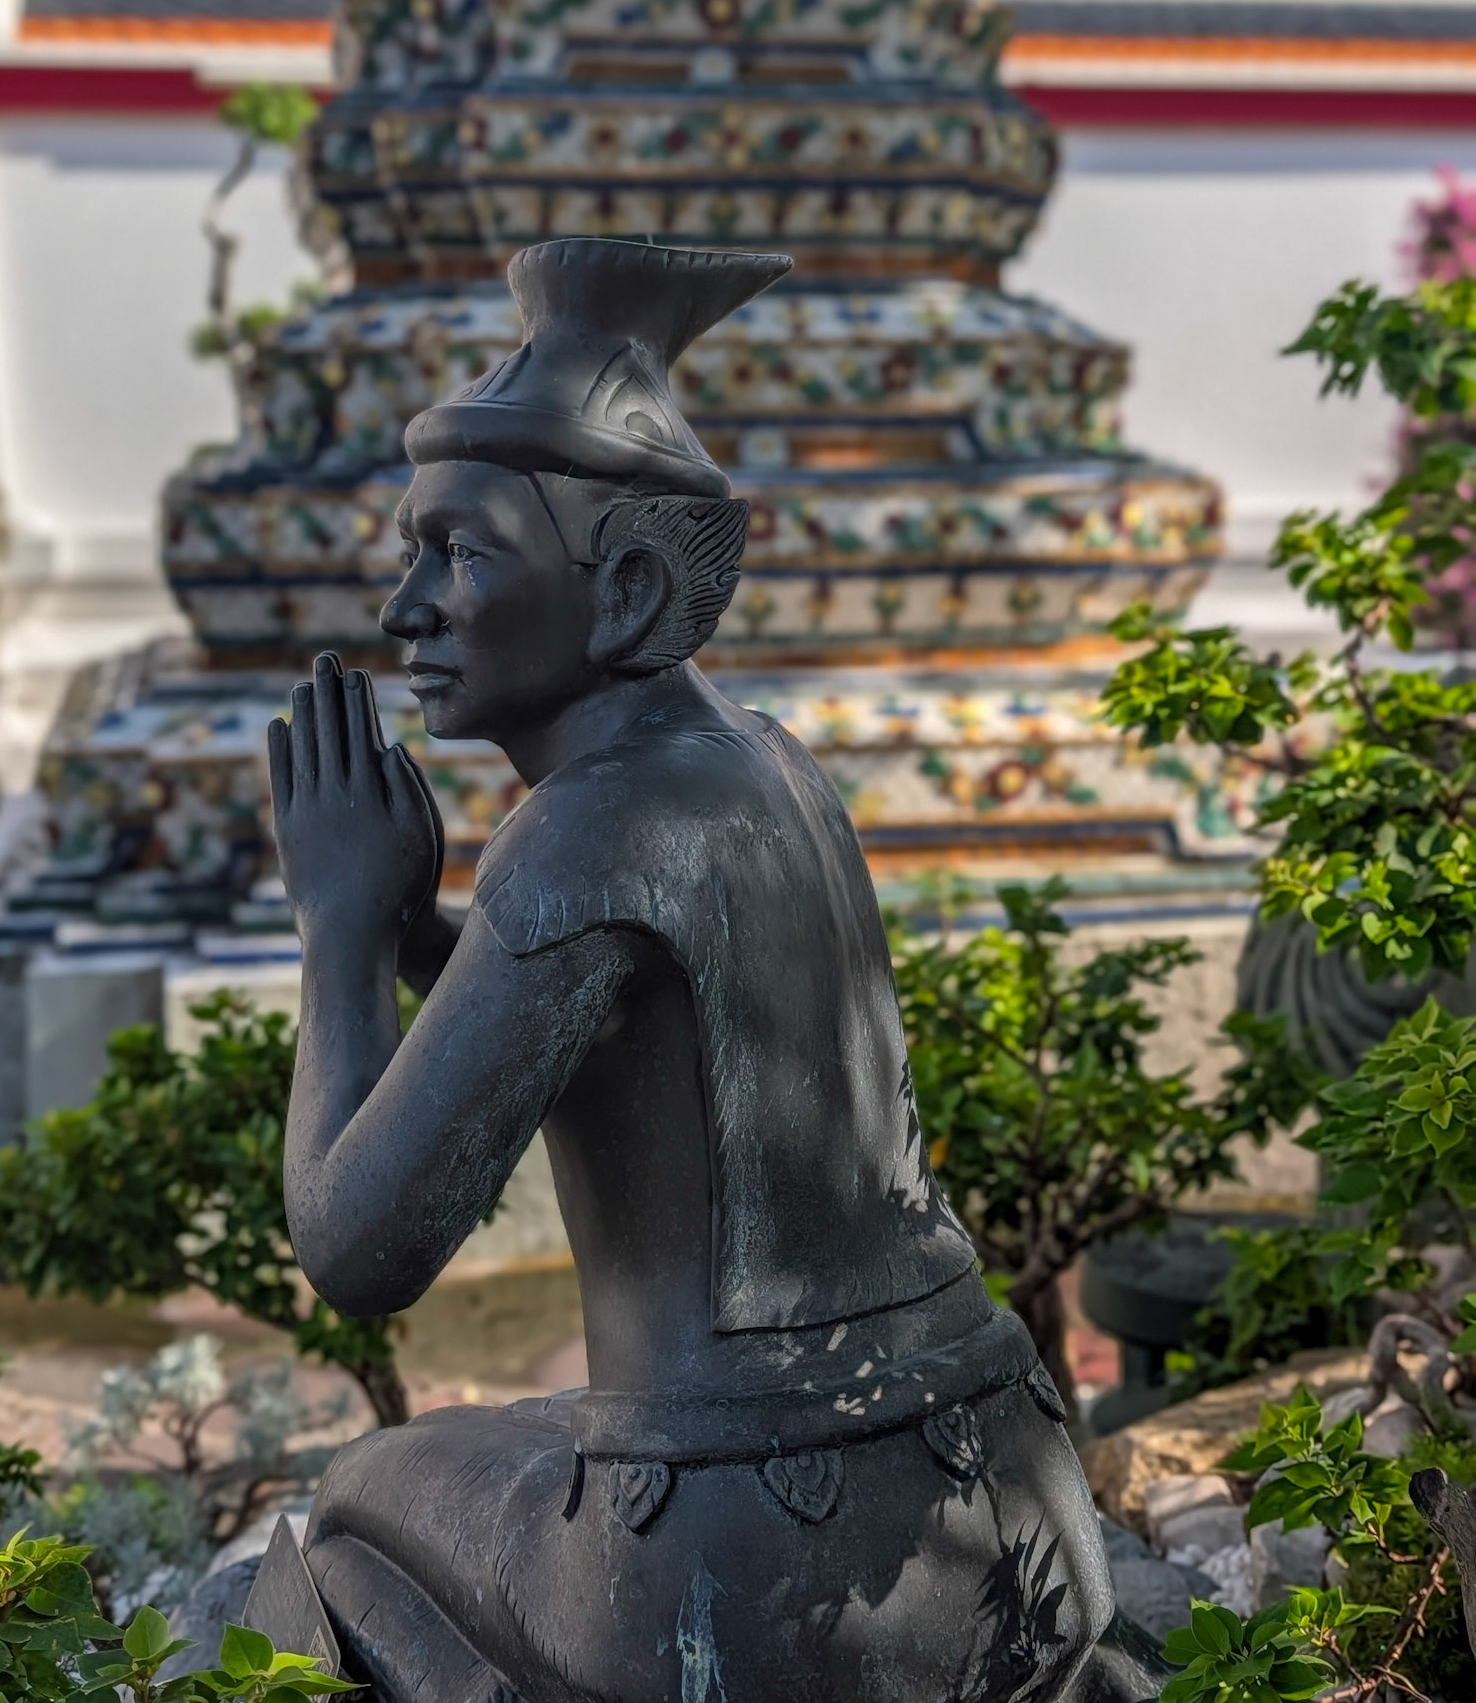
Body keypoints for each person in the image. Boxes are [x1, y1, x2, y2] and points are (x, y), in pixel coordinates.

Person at [262, 236, 1162, 1703]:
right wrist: (433, 930)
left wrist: (342, 932)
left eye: (461, 551)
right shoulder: (769, 767)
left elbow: (359, 1252)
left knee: (360, 1494)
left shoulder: (578, 840)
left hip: (755, 1584)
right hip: (1009, 1505)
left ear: (622, 593)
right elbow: (636, 1040)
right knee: (518, 1438)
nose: (405, 607)